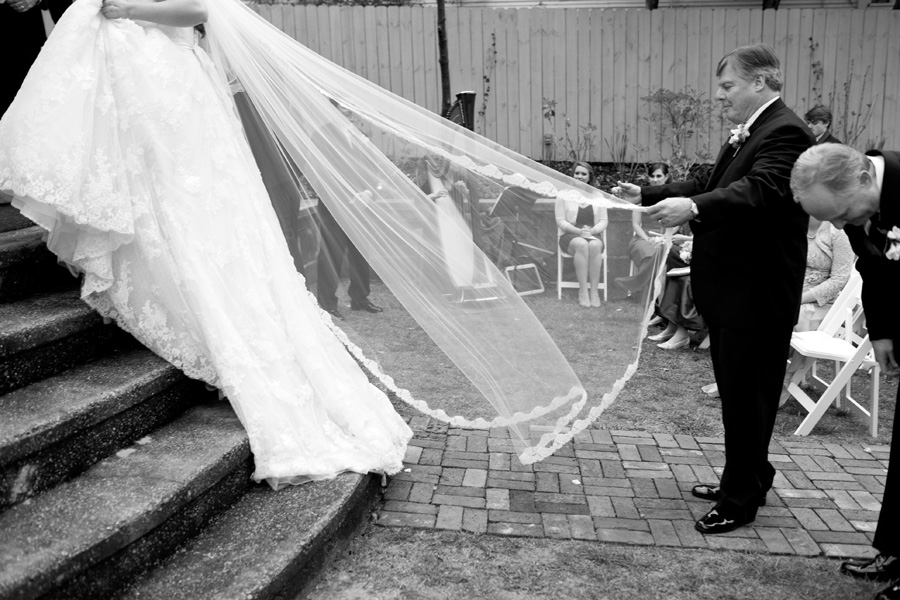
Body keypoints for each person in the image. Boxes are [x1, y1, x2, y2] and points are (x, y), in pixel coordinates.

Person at [0, 0, 413, 489]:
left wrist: (128, 8)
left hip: (168, 80)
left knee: (194, 211)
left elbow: (198, 9)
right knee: (159, 198)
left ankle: (225, 327)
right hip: (141, 75)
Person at [614, 44, 813, 534]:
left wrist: (694, 208)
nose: (720, 96)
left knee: (748, 399)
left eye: (728, 86)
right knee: (738, 395)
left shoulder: (785, 131)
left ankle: (739, 500)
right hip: (733, 292)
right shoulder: (756, 128)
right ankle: (748, 478)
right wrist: (650, 193)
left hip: (757, 293)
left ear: (761, 81)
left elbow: (761, 189)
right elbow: (713, 179)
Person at [791, 143, 900, 600]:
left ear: (863, 179)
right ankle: (895, 552)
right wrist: (883, 331)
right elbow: (874, 270)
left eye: (840, 215)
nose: (839, 227)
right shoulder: (857, 209)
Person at [315, 199, 383, 321]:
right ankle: (327, 303)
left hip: (359, 206)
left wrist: (368, 192)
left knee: (360, 253)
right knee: (332, 253)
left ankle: (360, 298)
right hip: (333, 204)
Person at [556, 161, 609, 307]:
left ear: (589, 176)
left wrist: (593, 231)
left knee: (594, 245)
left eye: (583, 174)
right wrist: (578, 231)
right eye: (577, 173)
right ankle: (583, 291)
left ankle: (594, 291)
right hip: (570, 234)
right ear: (572, 175)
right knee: (581, 244)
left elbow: (603, 221)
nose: (579, 176)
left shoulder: (598, 195)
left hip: (592, 233)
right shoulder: (563, 195)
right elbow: (560, 221)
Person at [614, 162, 669, 301]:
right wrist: (647, 238)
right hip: (643, 236)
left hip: (665, 236)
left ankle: (635, 284)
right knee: (648, 251)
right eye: (652, 176)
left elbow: (675, 223)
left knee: (662, 250)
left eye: (659, 176)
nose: (655, 179)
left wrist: (664, 237)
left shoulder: (672, 198)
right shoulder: (641, 197)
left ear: (666, 177)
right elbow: (636, 224)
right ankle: (645, 294)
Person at [795, 215, 854, 332]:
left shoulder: (839, 232)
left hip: (819, 303)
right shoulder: (792, 224)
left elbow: (838, 280)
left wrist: (797, 301)